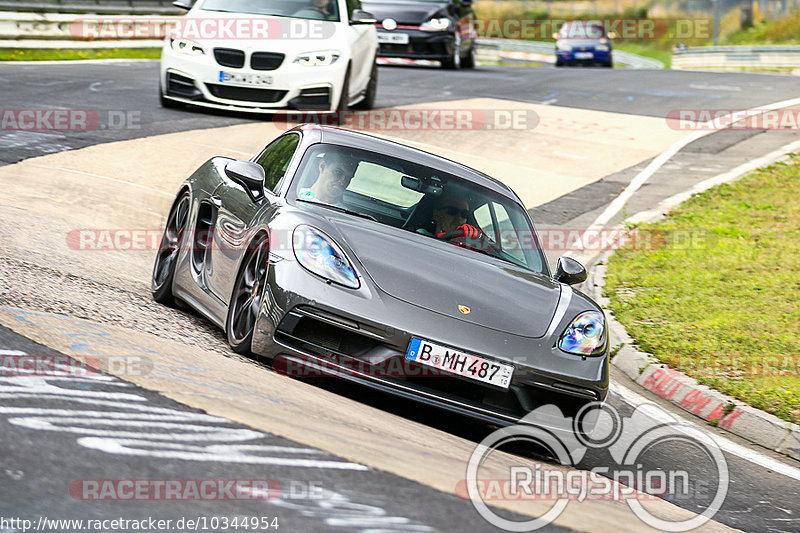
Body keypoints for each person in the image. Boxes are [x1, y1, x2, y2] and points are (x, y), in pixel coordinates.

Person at [417, 192, 481, 240]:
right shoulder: (421, 238)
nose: (459, 218)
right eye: (452, 211)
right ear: (436, 215)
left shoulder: (469, 246)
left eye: (464, 214)